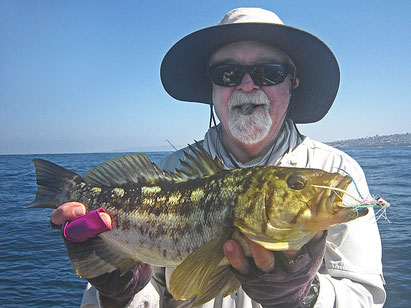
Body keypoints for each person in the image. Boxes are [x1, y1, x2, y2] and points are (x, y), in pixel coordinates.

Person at [51, 8, 386, 308]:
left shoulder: (337, 172)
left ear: (292, 83)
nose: (246, 85)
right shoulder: (168, 175)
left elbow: (366, 297)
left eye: (268, 72)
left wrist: (301, 296)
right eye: (227, 73)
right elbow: (154, 297)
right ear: (211, 89)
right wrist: (117, 292)